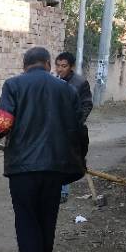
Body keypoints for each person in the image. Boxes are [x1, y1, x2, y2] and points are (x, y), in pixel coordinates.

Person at [0, 47, 85, 252]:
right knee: (47, 218)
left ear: (25, 65)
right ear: (47, 64)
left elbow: (3, 122)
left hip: (24, 167)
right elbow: (78, 129)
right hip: (55, 167)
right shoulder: (67, 90)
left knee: (27, 219)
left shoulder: (14, 85)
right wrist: (78, 161)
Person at [55, 52, 94, 204]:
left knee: (66, 158)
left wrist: (76, 122)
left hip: (72, 129)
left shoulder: (80, 83)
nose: (59, 69)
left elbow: (87, 105)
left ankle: (63, 191)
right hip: (55, 126)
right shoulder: (53, 81)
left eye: (63, 66)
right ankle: (54, 187)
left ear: (71, 67)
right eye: (57, 65)